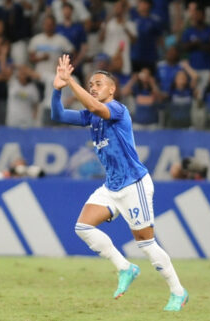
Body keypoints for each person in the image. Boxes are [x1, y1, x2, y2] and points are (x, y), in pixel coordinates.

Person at [51, 54, 188, 311]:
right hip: (112, 186)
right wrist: (57, 89)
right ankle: (125, 267)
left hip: (134, 184)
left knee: (146, 244)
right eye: (91, 83)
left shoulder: (117, 109)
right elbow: (57, 114)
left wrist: (71, 81)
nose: (93, 86)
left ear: (112, 90)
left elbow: (95, 107)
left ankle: (178, 292)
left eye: (98, 83)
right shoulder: (91, 116)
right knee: (82, 227)